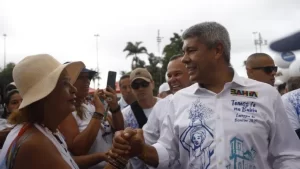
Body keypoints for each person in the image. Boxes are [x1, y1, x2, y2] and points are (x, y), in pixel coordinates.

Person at [109, 22, 300, 169]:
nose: (184, 59)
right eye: (184, 52)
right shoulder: (177, 101)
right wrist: (141, 150)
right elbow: (168, 151)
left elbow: (287, 155)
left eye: (191, 50)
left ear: (217, 50)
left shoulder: (265, 95)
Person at [0, 54, 85, 169]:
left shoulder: (43, 131)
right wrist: (115, 158)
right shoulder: (36, 144)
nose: (74, 89)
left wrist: (104, 156)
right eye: (65, 83)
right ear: (44, 96)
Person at [59, 66, 114, 169]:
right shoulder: (66, 112)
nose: (87, 81)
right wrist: (99, 112)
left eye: (88, 77)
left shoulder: (91, 105)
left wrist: (115, 107)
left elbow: (118, 128)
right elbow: (79, 150)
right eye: (81, 77)